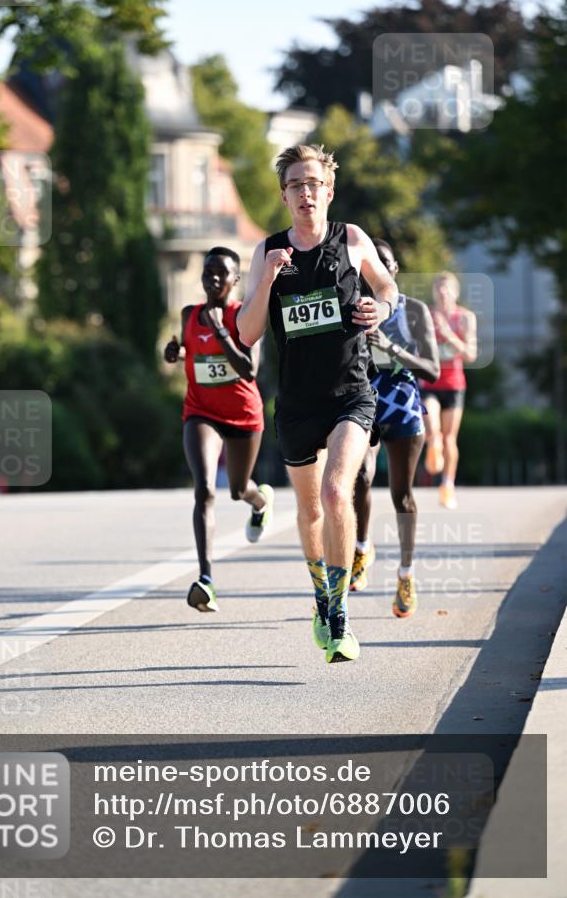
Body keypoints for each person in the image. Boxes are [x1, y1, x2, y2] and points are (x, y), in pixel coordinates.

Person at [237, 145, 397, 663]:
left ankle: (341, 616)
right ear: (284, 196)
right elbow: (246, 330)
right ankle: (322, 599)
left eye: (314, 184)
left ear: (328, 190)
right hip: (298, 404)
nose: (306, 193)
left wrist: (383, 306)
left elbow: (387, 284)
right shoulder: (267, 252)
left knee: (335, 493)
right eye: (296, 186)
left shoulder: (351, 239)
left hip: (351, 391)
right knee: (308, 511)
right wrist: (266, 280)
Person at [164, 247, 273, 614]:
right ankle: (206, 579)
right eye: (207, 272)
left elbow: (249, 370)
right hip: (201, 411)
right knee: (205, 488)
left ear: (235, 280)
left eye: (220, 273)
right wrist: (175, 352)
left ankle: (260, 503)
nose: (212, 279)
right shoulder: (189, 314)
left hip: (243, 415)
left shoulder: (244, 315)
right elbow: (191, 349)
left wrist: (221, 331)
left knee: (239, 489)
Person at [352, 239, 440, 619]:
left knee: (401, 496)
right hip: (364, 401)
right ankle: (361, 545)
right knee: (359, 477)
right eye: (370, 269)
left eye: (384, 266)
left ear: (394, 270)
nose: (377, 276)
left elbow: (433, 370)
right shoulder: (353, 309)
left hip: (403, 405)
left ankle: (406, 574)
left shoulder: (414, 311)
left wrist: (390, 347)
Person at [421, 272, 477, 509]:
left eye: (447, 289)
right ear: (434, 292)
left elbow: (470, 355)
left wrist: (447, 334)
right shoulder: (426, 315)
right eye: (438, 290)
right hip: (430, 383)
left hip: (454, 384)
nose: (443, 294)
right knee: (433, 432)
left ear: (455, 292)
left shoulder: (465, 318)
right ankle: (433, 448)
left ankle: (447, 485)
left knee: (449, 439)